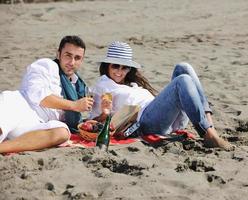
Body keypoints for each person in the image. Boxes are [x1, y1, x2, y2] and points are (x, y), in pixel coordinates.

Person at [90, 41, 234, 151]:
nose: (120, 72)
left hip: (165, 119)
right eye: (115, 66)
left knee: (183, 67)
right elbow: (92, 123)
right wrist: (104, 114)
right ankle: (207, 133)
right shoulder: (103, 86)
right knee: (182, 81)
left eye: (125, 67)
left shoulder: (130, 83)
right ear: (107, 65)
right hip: (145, 123)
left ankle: (210, 128)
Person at [0, 36, 93, 153]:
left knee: (62, 132)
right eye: (68, 55)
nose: (72, 62)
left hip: (37, 125)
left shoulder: (79, 86)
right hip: (20, 107)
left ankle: (3, 148)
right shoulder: (47, 65)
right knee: (7, 110)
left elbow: (80, 121)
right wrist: (74, 105)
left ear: (81, 60)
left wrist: (102, 114)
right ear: (58, 54)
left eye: (77, 58)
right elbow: (39, 97)